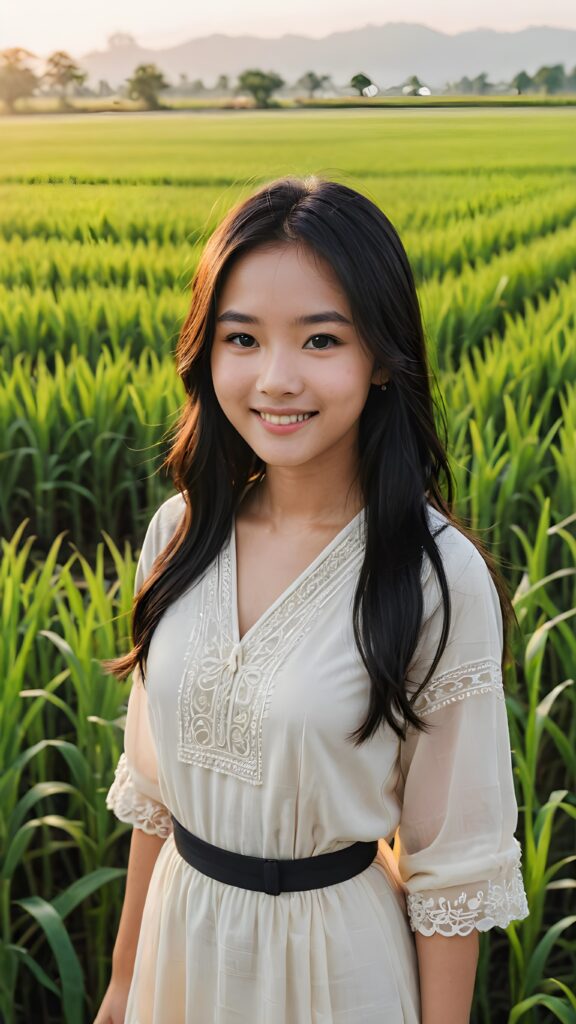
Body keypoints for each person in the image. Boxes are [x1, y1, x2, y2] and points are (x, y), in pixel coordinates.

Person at [93, 175, 529, 1024]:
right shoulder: (179, 534)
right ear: (205, 352)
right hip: (180, 949)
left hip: (335, 973)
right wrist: (121, 982)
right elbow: (154, 796)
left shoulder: (432, 575)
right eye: (242, 338)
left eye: (321, 339)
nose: (276, 378)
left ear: (380, 358)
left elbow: (455, 871)